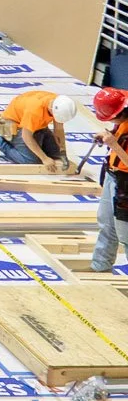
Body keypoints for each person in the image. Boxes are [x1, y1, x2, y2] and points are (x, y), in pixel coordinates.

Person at [90, 87, 128, 273]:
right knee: (106, 224)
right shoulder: (122, 109)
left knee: (126, 235)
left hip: (126, 185)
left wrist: (113, 143)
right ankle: (100, 267)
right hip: (114, 177)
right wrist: (112, 137)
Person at [0, 90, 77, 171]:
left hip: (36, 125)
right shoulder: (34, 111)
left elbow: (58, 129)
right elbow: (26, 136)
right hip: (15, 126)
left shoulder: (58, 103)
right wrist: (44, 158)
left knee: (55, 155)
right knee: (31, 161)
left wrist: (62, 151)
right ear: (52, 110)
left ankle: (39, 143)